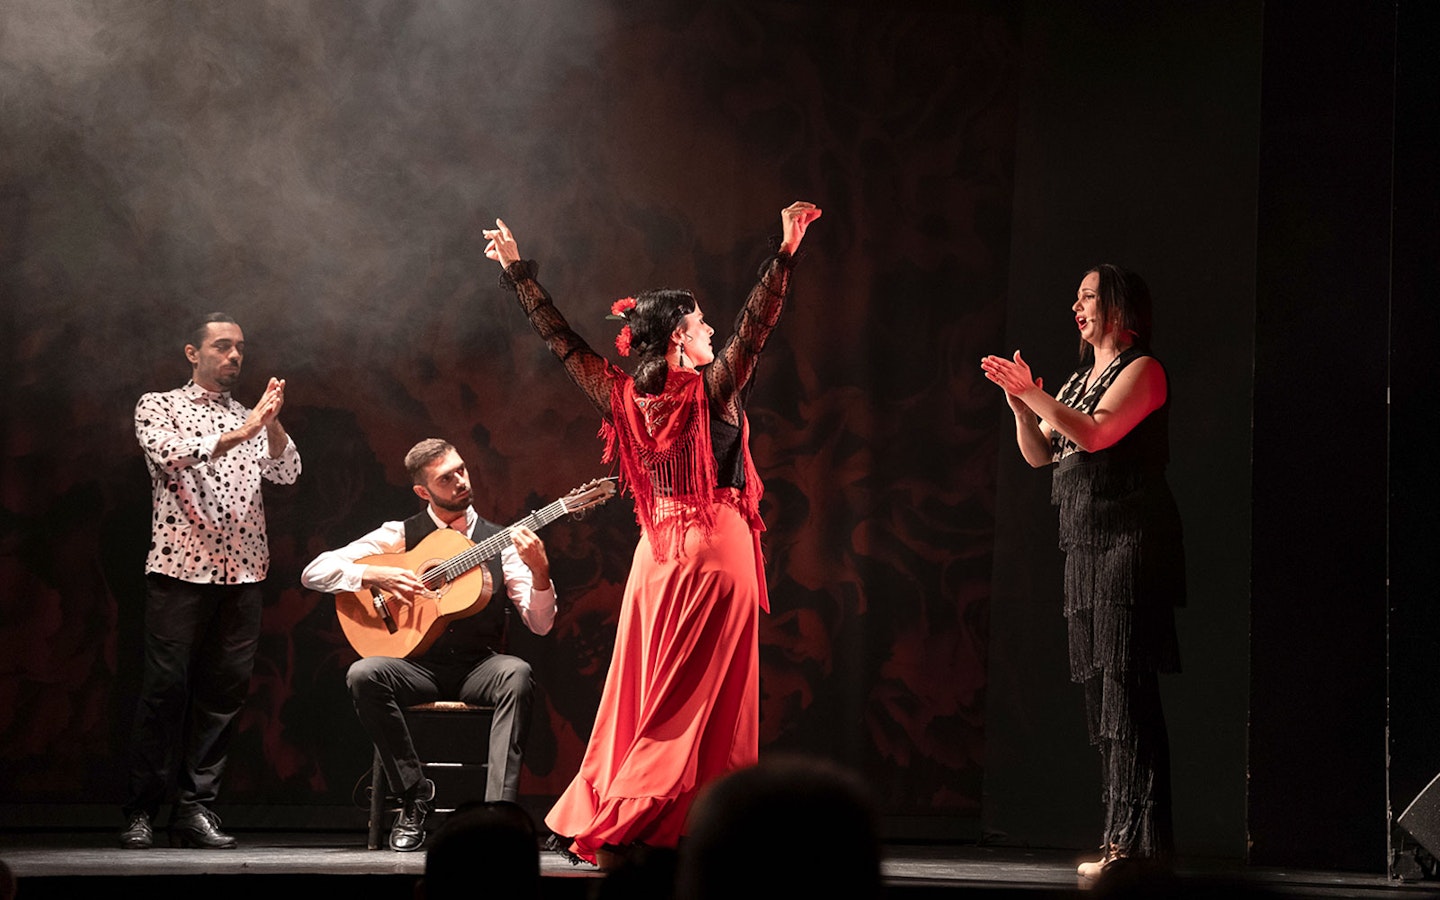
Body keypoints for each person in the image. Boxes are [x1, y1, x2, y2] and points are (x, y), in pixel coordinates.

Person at [481, 201, 822, 866]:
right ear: (676, 340)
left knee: (647, 689)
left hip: (656, 555)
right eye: (700, 326)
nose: (713, 332)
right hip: (713, 547)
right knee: (695, 696)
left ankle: (665, 814)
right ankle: (644, 812)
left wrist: (520, 276)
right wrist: (783, 256)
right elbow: (756, 329)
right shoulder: (711, 390)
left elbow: (563, 343)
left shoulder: (622, 396)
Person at [981, 265, 1184, 877]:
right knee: (1105, 701)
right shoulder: (1077, 379)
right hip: (1088, 550)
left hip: (1131, 544)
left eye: (1088, 296)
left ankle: (1139, 849)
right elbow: (1042, 451)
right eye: (1076, 297)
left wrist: (1037, 395)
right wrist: (1022, 405)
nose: (1077, 306)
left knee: (1127, 694)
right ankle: (1124, 843)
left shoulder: (1143, 370)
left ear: (1119, 307)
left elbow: (1095, 437)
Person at [300, 438, 555, 852]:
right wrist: (376, 577)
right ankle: (414, 796)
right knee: (363, 674)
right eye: (446, 478)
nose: (460, 481)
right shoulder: (399, 535)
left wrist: (541, 573)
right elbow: (315, 572)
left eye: (461, 470)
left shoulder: (500, 541)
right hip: (417, 667)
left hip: (478, 667)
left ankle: (496, 818)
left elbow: (541, 624)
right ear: (423, 491)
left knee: (517, 674)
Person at [122, 312, 301, 849]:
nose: (235, 357)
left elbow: (287, 473)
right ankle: (141, 811)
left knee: (222, 696)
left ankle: (196, 809)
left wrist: (269, 423)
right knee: (164, 692)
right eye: (222, 346)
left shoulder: (251, 417)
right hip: (180, 572)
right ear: (192, 354)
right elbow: (169, 457)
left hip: (242, 575)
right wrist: (241, 431)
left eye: (240, 348)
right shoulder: (160, 406)